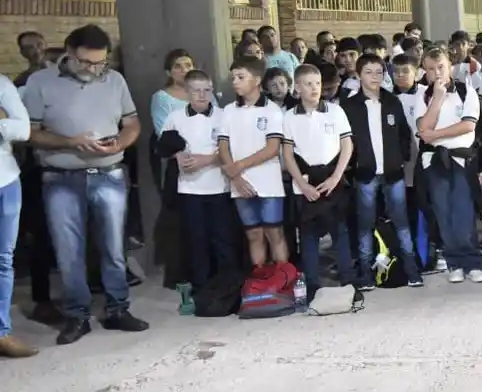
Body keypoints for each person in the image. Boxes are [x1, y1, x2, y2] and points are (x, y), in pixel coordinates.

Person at [22, 24, 149, 344]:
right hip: (61, 179)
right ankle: (77, 316)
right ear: (69, 52)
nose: (94, 69)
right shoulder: (41, 82)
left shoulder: (114, 79)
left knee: (113, 248)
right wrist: (70, 142)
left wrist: (120, 143)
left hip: (109, 174)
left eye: (100, 63)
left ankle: (118, 309)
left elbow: (132, 123)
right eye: (86, 62)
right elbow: (31, 133)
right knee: (69, 252)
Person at [343, 53, 422, 291]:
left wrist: (401, 158)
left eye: (379, 72)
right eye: (368, 72)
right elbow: (344, 141)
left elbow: (404, 134)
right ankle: (366, 276)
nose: (374, 77)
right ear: (359, 75)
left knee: (402, 223)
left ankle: (412, 271)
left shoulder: (392, 102)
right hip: (365, 174)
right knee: (365, 226)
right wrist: (354, 164)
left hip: (393, 172)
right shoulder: (349, 106)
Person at [157, 70, 237, 297]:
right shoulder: (175, 117)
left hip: (220, 187)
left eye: (207, 90)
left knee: (223, 241)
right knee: (196, 241)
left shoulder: (224, 116)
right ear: (187, 92)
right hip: (189, 189)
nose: (202, 95)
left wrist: (208, 159)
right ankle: (201, 290)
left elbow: (234, 149)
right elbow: (164, 146)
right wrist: (177, 155)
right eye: (196, 91)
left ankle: (228, 289)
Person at [281, 65, 356, 297]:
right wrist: (302, 185)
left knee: (340, 232)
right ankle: (312, 285)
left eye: (317, 83)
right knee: (308, 236)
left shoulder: (335, 111)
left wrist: (336, 177)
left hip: (332, 178)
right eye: (308, 84)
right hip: (305, 182)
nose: (314, 88)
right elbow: (287, 154)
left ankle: (349, 281)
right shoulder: (289, 116)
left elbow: (347, 145)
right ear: (297, 87)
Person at [414, 46, 482, 284]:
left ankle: (472, 262)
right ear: (425, 71)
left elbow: (468, 125)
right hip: (434, 161)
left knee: (464, 211)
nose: (437, 73)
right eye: (431, 69)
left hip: (461, 159)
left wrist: (435, 135)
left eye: (441, 67)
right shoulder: (422, 94)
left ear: (450, 67)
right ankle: (453, 261)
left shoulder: (466, 91)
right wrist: (437, 98)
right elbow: (423, 127)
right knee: (443, 212)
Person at [216, 55, 290, 272]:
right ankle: (261, 280)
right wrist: (236, 178)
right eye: (233, 78)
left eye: (241, 77)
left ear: (257, 80)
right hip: (240, 184)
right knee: (253, 234)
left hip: (268, 183)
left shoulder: (271, 110)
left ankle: (283, 279)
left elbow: (272, 148)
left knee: (274, 233)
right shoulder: (228, 110)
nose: (235, 82)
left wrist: (238, 166)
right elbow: (223, 147)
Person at [0, 72, 33, 357]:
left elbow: (24, 130)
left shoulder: (1, 84)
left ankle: (2, 333)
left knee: (3, 260)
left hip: (6, 181)